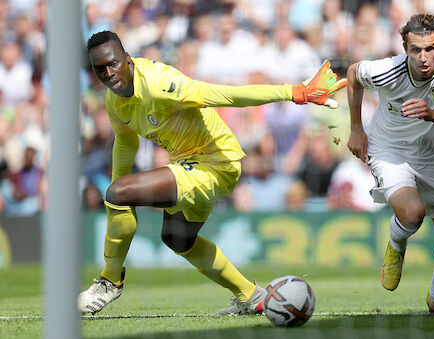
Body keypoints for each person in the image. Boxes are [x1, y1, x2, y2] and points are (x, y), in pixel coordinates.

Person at [78, 30, 346, 316]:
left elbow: (224, 94)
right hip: (188, 165)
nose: (108, 73)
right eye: (100, 69)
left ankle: (109, 281)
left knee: (119, 194)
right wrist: (119, 180)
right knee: (178, 240)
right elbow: (126, 140)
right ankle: (250, 296)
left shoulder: (160, 84)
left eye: (113, 64)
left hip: (216, 162)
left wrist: (293, 92)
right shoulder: (114, 100)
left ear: (127, 59)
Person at [346, 14, 434, 315]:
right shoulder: (387, 72)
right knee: (412, 213)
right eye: (415, 49)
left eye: (430, 49)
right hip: (389, 150)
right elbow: (353, 74)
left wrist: (433, 114)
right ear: (404, 48)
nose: (423, 57)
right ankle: (396, 244)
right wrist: (356, 128)